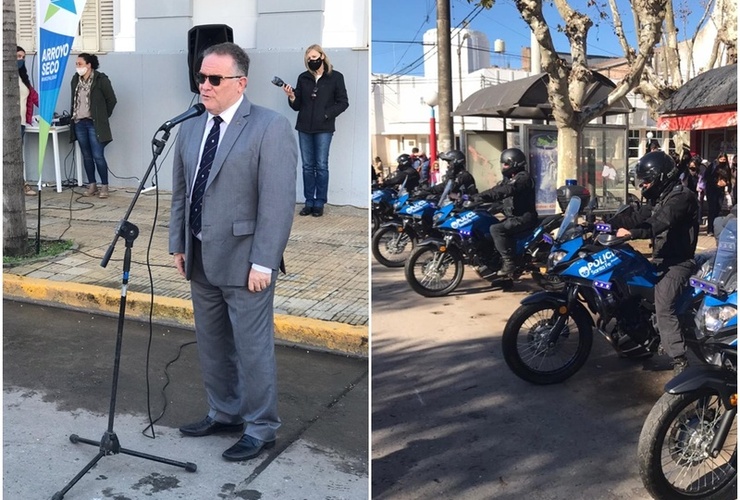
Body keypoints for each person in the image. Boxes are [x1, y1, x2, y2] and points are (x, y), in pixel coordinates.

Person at [169, 42, 297, 462]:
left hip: (246, 262)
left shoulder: (269, 126)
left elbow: (277, 203)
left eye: (214, 79)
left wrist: (264, 260)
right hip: (200, 258)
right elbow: (181, 195)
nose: (204, 86)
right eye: (200, 77)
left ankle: (261, 427)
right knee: (211, 343)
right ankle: (224, 412)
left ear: (240, 83)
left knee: (252, 348)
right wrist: (178, 244)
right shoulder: (189, 126)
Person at [614, 151, 699, 374]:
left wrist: (631, 234)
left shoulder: (682, 197)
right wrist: (604, 223)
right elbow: (637, 216)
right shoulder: (659, 197)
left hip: (679, 263)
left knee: (663, 305)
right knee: (627, 283)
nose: (644, 185)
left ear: (661, 176)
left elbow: (657, 223)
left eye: (647, 180)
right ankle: (636, 339)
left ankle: (680, 361)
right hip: (660, 259)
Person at [283, 44, 348, 217]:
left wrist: (327, 114)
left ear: (322, 56)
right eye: (309, 59)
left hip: (324, 128)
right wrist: (291, 96)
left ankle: (319, 202)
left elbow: (343, 102)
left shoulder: (335, 77)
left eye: (314, 57)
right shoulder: (303, 78)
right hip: (304, 126)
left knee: (321, 165)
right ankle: (308, 201)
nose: (312, 60)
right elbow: (297, 106)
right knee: (306, 166)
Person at [473, 148, 537, 276]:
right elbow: (496, 189)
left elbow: (505, 191)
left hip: (523, 218)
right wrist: (477, 197)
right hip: (513, 217)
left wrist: (483, 197)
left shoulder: (523, 178)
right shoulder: (509, 179)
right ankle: (493, 264)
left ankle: (509, 262)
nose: (504, 167)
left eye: (506, 164)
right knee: (485, 226)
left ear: (515, 163)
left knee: (496, 229)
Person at [70, 52, 117, 199]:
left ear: (89, 65)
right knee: (87, 156)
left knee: (98, 155)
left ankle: (104, 186)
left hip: (93, 123)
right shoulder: (75, 80)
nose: (77, 67)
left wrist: (102, 116)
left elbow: (112, 100)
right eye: (76, 64)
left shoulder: (101, 79)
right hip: (79, 122)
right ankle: (92, 184)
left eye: (80, 64)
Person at [18, 45, 38, 196]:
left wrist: (48, 110)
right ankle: (21, 184)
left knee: (17, 156)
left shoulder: (23, 77)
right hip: (9, 122)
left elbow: (33, 96)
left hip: (22, 122)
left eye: (23, 57)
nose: (21, 59)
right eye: (18, 56)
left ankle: (21, 183)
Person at [704, 152, 730, 235]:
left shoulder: (726, 167)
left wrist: (726, 183)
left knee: (718, 209)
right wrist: (716, 182)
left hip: (720, 191)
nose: (722, 161)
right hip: (712, 190)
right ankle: (710, 229)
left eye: (724, 160)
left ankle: (716, 229)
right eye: (721, 159)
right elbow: (707, 177)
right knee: (712, 210)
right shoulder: (713, 166)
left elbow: (729, 178)